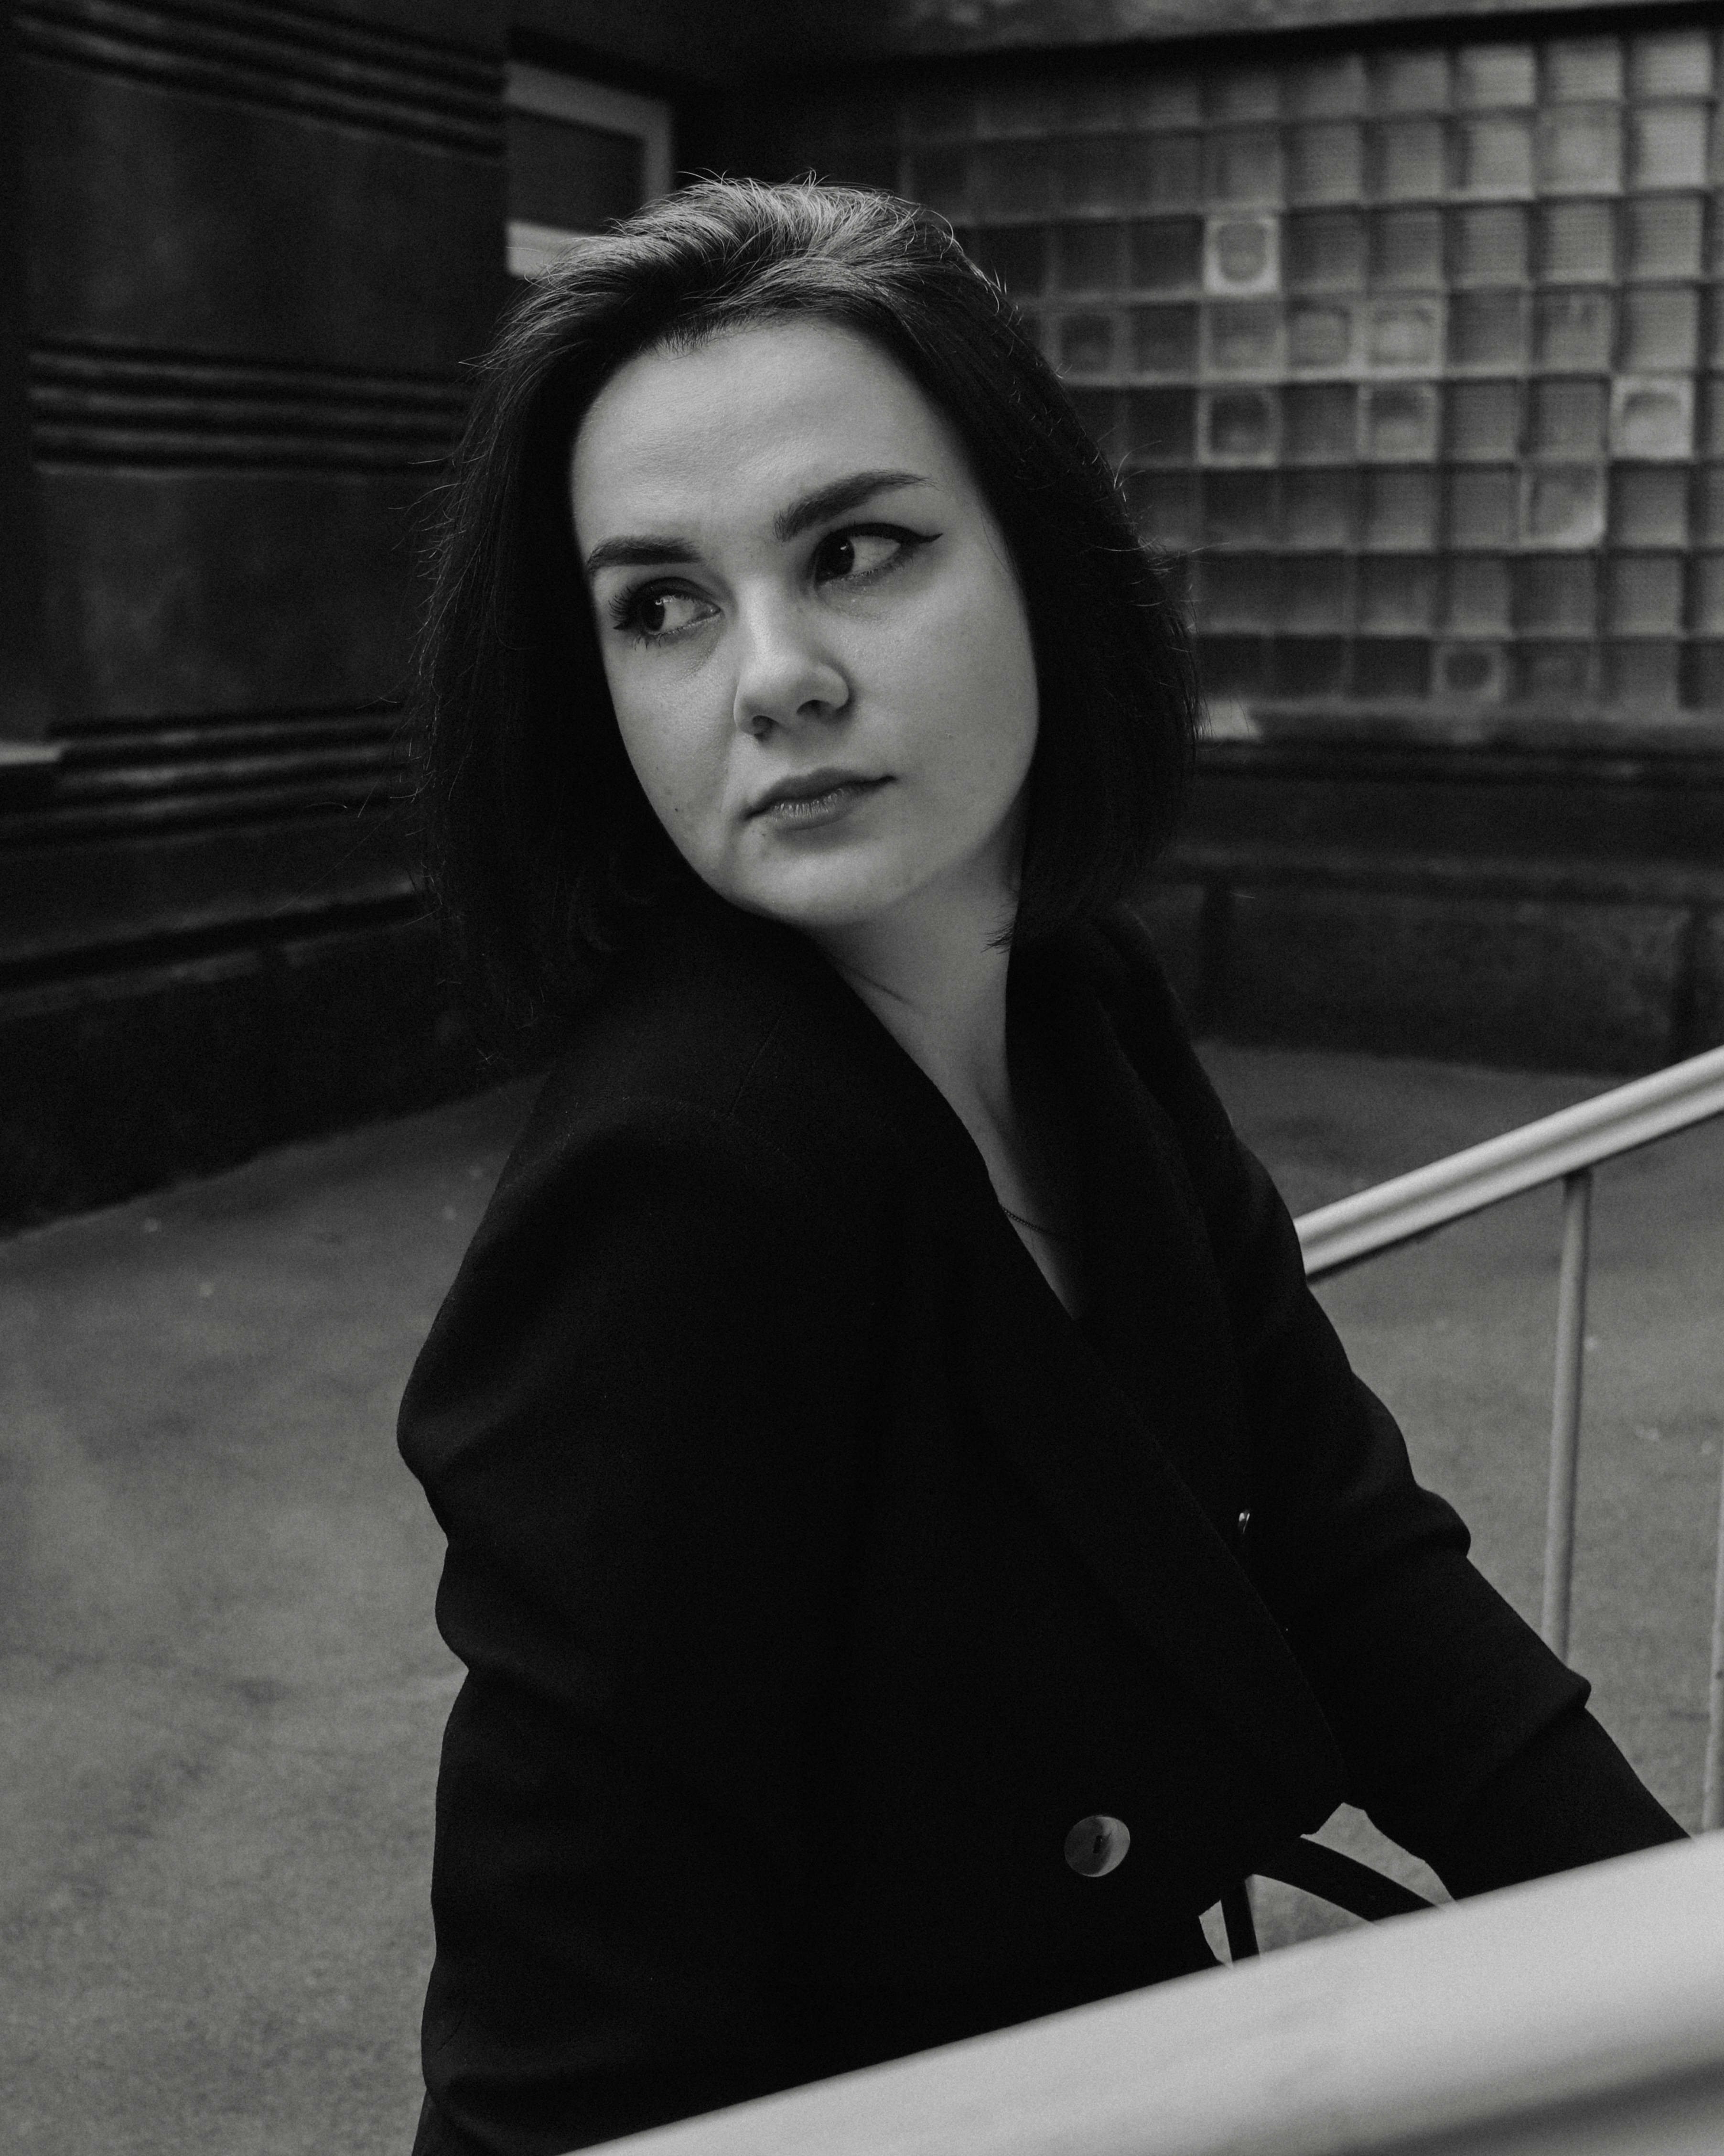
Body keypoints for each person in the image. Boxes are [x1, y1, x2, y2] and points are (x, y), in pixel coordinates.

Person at [399, 180, 1681, 2156]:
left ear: (1037, 562)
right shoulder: (674, 1192)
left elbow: (1343, 1556)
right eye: (660, 602)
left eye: (856, 551)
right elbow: (567, 2056)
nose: (770, 675)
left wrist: (1660, 1946)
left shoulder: (1067, 1006)